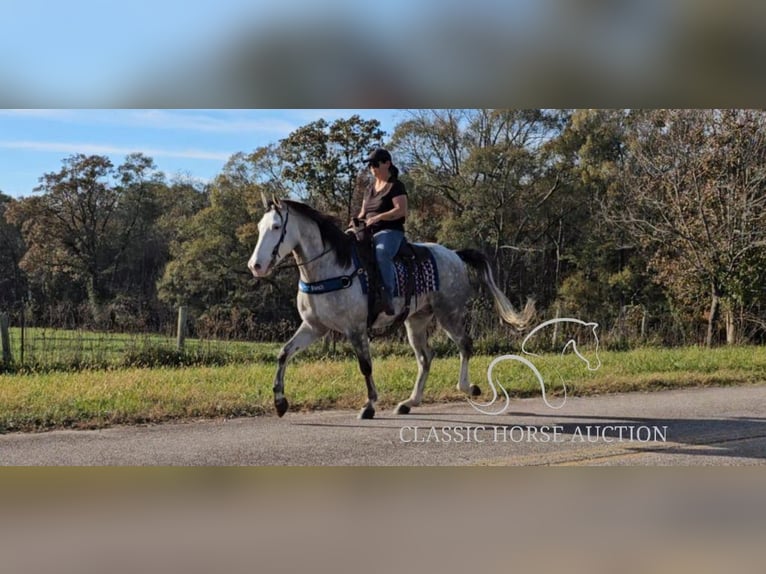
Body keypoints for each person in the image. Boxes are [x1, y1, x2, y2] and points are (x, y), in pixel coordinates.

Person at [356, 147, 408, 315]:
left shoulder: (396, 186)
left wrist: (378, 218)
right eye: (370, 165)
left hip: (391, 232)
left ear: (387, 163)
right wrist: (355, 224)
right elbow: (363, 213)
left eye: (375, 164)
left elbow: (401, 210)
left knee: (382, 253)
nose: (372, 168)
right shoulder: (369, 189)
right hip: (368, 231)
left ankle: (389, 295)